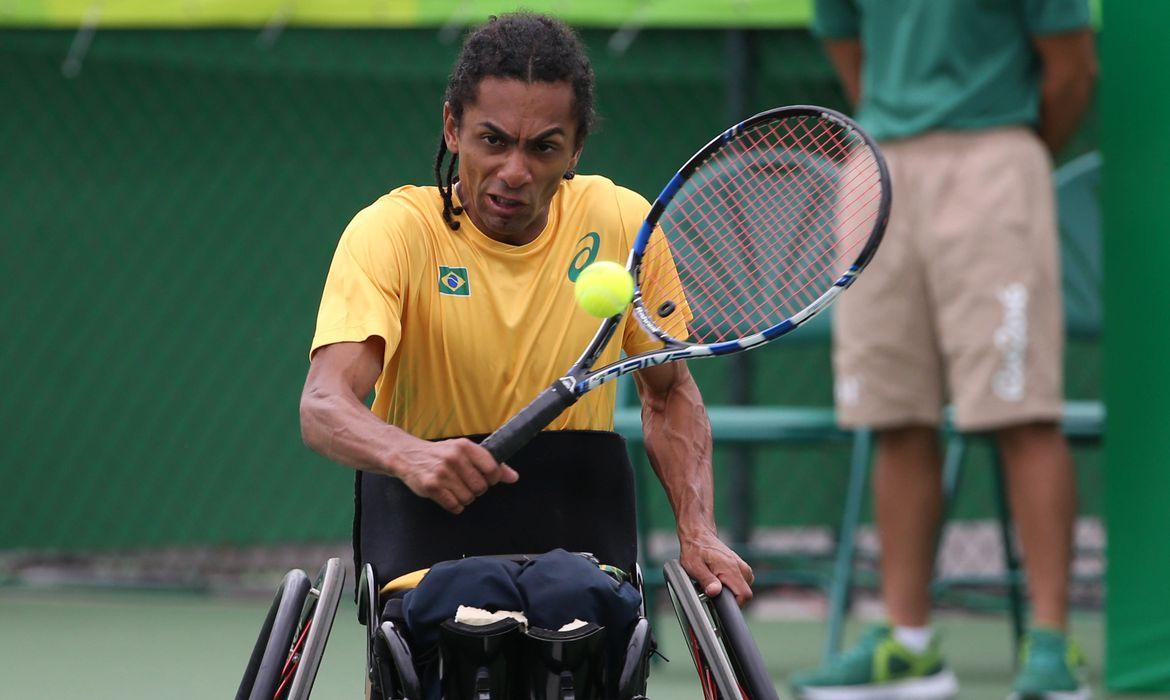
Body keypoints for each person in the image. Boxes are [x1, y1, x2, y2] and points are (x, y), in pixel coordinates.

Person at [298, 11, 753, 693]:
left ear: (575, 152)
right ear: (452, 128)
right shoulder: (393, 231)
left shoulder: (624, 225)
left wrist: (699, 526)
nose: (514, 171)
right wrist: (411, 455)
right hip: (427, 547)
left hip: (579, 537)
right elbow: (324, 402)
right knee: (471, 603)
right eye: (492, 141)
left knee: (576, 598)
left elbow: (669, 391)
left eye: (543, 148)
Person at [791, 2, 1097, 700]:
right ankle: (910, 645)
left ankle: (1050, 643)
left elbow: (1072, 67)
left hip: (998, 161)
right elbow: (852, 57)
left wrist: (1002, 157)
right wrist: (910, 136)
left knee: (1025, 411)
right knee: (894, 415)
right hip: (882, 172)